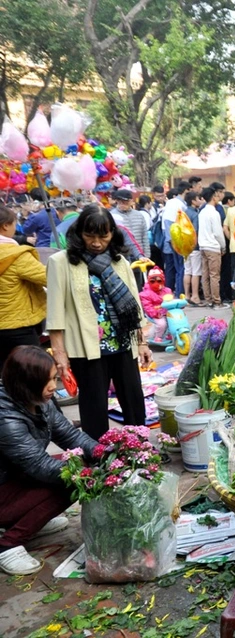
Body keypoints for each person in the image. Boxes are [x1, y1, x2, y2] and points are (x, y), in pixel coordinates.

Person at [46, 205, 152, 441]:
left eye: (103, 236)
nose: (96, 243)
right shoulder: (61, 262)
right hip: (87, 347)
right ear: (79, 232)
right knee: (94, 404)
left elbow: (133, 305)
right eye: (89, 235)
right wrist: (60, 353)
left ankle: (140, 449)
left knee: (133, 399)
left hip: (123, 341)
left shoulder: (119, 261)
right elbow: (55, 313)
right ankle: (98, 456)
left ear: (112, 233)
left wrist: (142, 343)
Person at [0, 346, 98, 575]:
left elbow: (70, 436)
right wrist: (89, 476)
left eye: (54, 379)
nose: (54, 386)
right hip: (4, 487)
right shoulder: (5, 417)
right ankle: (8, 544)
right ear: (25, 383)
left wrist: (105, 452)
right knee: (71, 480)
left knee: (76, 465)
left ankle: (33, 520)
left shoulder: (36, 399)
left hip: (16, 476)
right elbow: (41, 466)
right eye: (47, 381)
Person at [0, 206, 46, 371]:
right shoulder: (16, 255)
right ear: (5, 225)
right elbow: (50, 278)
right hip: (18, 328)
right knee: (30, 375)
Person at [197, 187, 226, 308]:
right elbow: (218, 233)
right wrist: (223, 246)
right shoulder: (214, 213)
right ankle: (216, 301)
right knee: (214, 275)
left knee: (205, 274)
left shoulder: (202, 212)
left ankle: (208, 299)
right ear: (213, 197)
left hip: (203, 246)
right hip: (213, 247)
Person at [161, 186, 186, 297]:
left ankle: (172, 292)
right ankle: (180, 292)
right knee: (181, 268)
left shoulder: (168, 206)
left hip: (170, 241)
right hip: (178, 240)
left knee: (175, 268)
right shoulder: (178, 204)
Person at [110, 189, 148, 260]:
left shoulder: (139, 215)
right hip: (122, 255)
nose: (122, 204)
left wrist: (146, 255)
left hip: (140, 254)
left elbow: (145, 236)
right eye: (120, 202)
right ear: (117, 201)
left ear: (131, 201)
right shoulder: (112, 216)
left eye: (125, 202)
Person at [139, 267, 172, 345]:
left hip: (167, 311)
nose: (156, 283)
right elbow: (147, 307)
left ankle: (170, 334)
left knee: (174, 319)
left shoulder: (167, 290)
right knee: (162, 324)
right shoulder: (145, 294)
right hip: (155, 313)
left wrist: (179, 305)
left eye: (159, 281)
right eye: (152, 281)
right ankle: (158, 336)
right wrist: (155, 313)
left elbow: (172, 301)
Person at [182, 191, 203, 307]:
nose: (200, 200)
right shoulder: (195, 214)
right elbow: (195, 231)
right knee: (196, 272)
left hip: (184, 247)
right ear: (193, 201)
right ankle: (195, 296)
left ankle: (187, 295)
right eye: (198, 198)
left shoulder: (184, 213)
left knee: (187, 271)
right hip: (194, 247)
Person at [219, 191, 235, 303]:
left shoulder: (219, 209)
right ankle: (226, 294)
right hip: (227, 243)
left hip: (223, 243)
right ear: (230, 200)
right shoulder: (228, 211)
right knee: (226, 271)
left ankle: (224, 294)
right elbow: (225, 228)